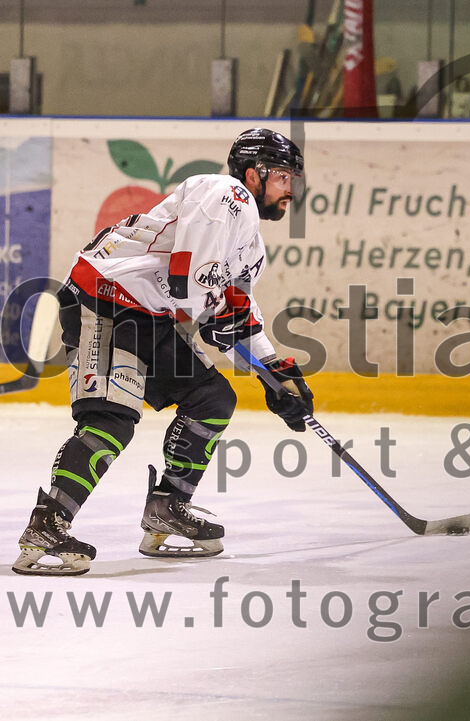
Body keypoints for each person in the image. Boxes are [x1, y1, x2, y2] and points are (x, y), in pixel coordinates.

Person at [12, 128, 315, 577]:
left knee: (212, 399)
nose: (291, 190)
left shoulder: (250, 243)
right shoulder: (224, 193)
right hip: (105, 299)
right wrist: (217, 317)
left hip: (147, 312)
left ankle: (167, 506)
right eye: (284, 178)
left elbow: (234, 306)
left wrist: (276, 373)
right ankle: (47, 523)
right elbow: (188, 284)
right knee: (111, 419)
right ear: (255, 174)